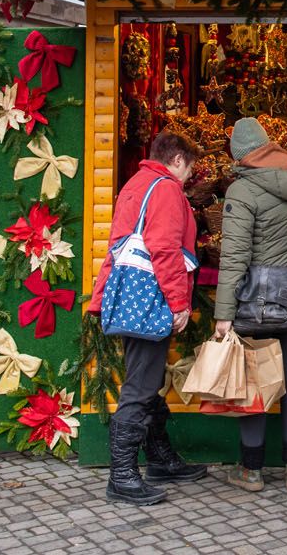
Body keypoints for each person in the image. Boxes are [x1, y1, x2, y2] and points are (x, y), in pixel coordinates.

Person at [88, 129, 209, 506]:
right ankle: (122, 476)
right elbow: (165, 249)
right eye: (190, 167)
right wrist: (179, 304)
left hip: (130, 298)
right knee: (140, 387)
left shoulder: (136, 183)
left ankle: (160, 460)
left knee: (147, 379)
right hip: (151, 299)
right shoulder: (167, 189)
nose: (190, 175)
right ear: (177, 160)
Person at [213, 117, 287, 493]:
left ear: (241, 157)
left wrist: (223, 313)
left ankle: (252, 470)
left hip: (256, 301)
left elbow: (234, 257)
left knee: (254, 381)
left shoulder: (242, 192)